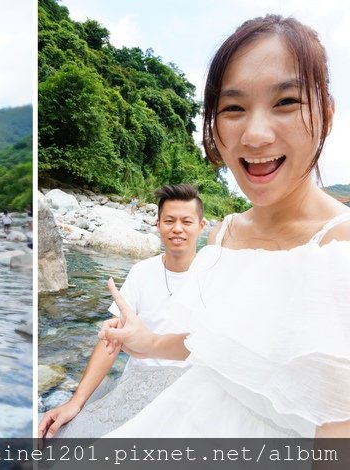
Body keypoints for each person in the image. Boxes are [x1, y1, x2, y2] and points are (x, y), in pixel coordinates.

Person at [101, 16, 350, 438]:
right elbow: (214, 344)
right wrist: (145, 341)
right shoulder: (224, 233)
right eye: (233, 108)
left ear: (326, 113)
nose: (254, 135)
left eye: (286, 101)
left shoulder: (339, 243)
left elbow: (337, 420)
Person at [38, 184, 207, 439]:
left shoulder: (213, 277)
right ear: (158, 224)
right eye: (170, 220)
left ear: (201, 226)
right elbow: (112, 339)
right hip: (137, 385)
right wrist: (77, 401)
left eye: (187, 221)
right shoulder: (142, 272)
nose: (178, 229)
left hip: (189, 389)